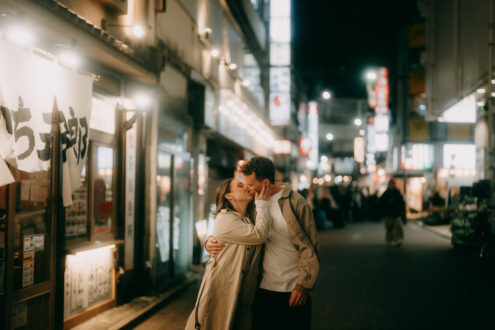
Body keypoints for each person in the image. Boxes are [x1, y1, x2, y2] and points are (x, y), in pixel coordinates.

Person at [206, 157, 320, 330]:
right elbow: (233, 227)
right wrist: (210, 242)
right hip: (261, 290)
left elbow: (310, 248)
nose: (247, 189)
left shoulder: (296, 203)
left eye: (250, 185)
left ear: (265, 182)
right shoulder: (252, 205)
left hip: (293, 290)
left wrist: (303, 285)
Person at [185, 178, 272, 330]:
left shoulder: (246, 217)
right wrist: (263, 204)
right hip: (221, 291)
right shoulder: (226, 218)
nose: (246, 188)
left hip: (239, 293)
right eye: (240, 185)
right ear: (228, 196)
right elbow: (259, 234)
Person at [379, 178, 405, 246]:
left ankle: (399, 239)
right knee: (389, 227)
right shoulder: (386, 193)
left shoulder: (397, 192)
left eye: (392, 184)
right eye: (390, 184)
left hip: (396, 213)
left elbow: (401, 203)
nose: (391, 185)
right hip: (388, 213)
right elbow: (381, 202)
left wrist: (402, 211)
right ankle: (389, 240)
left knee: (398, 226)